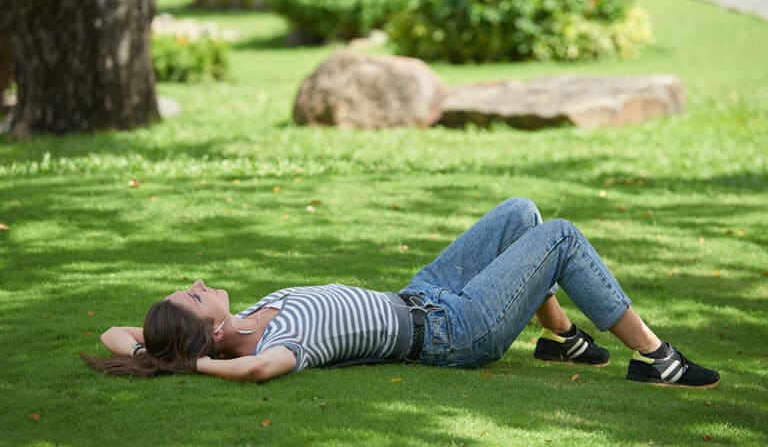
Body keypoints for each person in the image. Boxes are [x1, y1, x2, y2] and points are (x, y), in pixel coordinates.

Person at [83, 198, 720, 388]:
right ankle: (656, 359)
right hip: (455, 332)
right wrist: (197, 361)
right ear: (212, 330)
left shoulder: (247, 313)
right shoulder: (279, 341)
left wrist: (163, 352)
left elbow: (115, 335)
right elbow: (253, 371)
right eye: (194, 297)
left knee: (520, 215)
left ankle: (564, 342)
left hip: (423, 295)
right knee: (559, 237)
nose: (198, 283)